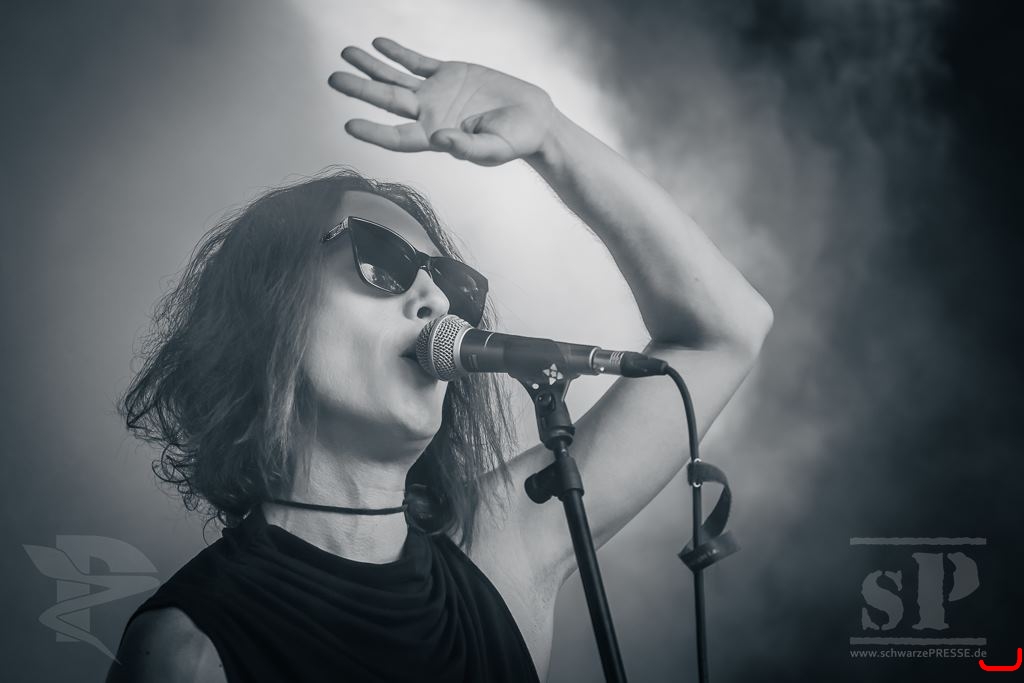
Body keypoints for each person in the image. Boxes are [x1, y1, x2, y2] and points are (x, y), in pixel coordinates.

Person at [106, 38, 773, 682]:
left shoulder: (501, 552)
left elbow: (725, 332)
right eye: (382, 260)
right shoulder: (188, 651)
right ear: (268, 309)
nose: (437, 298)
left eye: (453, 283)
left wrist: (552, 136)